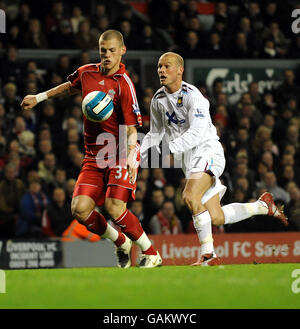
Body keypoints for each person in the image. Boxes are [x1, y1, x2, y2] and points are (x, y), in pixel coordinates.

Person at [21, 30, 161, 269]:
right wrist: (40, 96)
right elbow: (69, 87)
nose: (107, 55)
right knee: (80, 209)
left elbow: (130, 128)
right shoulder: (87, 73)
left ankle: (151, 253)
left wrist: (129, 156)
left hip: (120, 150)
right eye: (103, 50)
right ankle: (120, 241)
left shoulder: (124, 85)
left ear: (122, 51)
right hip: (94, 155)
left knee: (114, 207)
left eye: (112, 50)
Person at [141, 52, 288, 266]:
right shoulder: (158, 99)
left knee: (190, 196)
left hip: (207, 151)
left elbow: (197, 133)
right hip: (189, 161)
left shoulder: (194, 97)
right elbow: (155, 133)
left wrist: (166, 149)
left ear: (180, 70)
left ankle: (208, 255)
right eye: (159, 66)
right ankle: (262, 206)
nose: (161, 70)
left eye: (167, 66)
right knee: (216, 217)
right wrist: (139, 155)